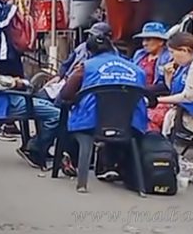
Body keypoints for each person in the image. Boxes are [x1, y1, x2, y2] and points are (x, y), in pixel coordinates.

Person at [56, 28, 148, 185]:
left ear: (90, 52)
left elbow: (65, 94)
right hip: (130, 124)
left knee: (65, 111)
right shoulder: (137, 70)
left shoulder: (86, 66)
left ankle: (69, 157)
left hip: (91, 124)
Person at [0, 23, 59, 169]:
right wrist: (15, 82)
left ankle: (36, 147)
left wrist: (12, 81)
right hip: (1, 103)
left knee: (47, 105)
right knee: (56, 115)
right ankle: (33, 149)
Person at [131, 22, 174, 132]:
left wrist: (144, 90)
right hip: (135, 94)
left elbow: (168, 85)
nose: (144, 43)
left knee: (150, 119)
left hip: (158, 98)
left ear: (160, 41)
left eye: (148, 39)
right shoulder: (139, 54)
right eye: (143, 40)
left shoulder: (169, 57)